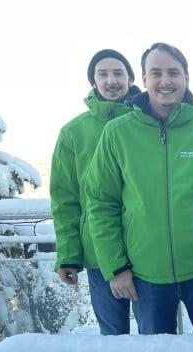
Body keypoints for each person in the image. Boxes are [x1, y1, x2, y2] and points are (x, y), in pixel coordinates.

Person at [86, 42, 193, 335]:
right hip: (145, 277)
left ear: (185, 77)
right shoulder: (117, 134)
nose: (165, 81)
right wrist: (115, 267)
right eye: (156, 72)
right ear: (144, 79)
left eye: (173, 72)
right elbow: (101, 203)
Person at [51, 49, 140, 335]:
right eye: (103, 74)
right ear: (93, 82)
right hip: (99, 253)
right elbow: (66, 199)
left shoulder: (146, 123)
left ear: (131, 78)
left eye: (118, 73)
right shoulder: (74, 132)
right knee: (113, 337)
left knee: (155, 336)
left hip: (147, 249)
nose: (111, 81)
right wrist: (68, 255)